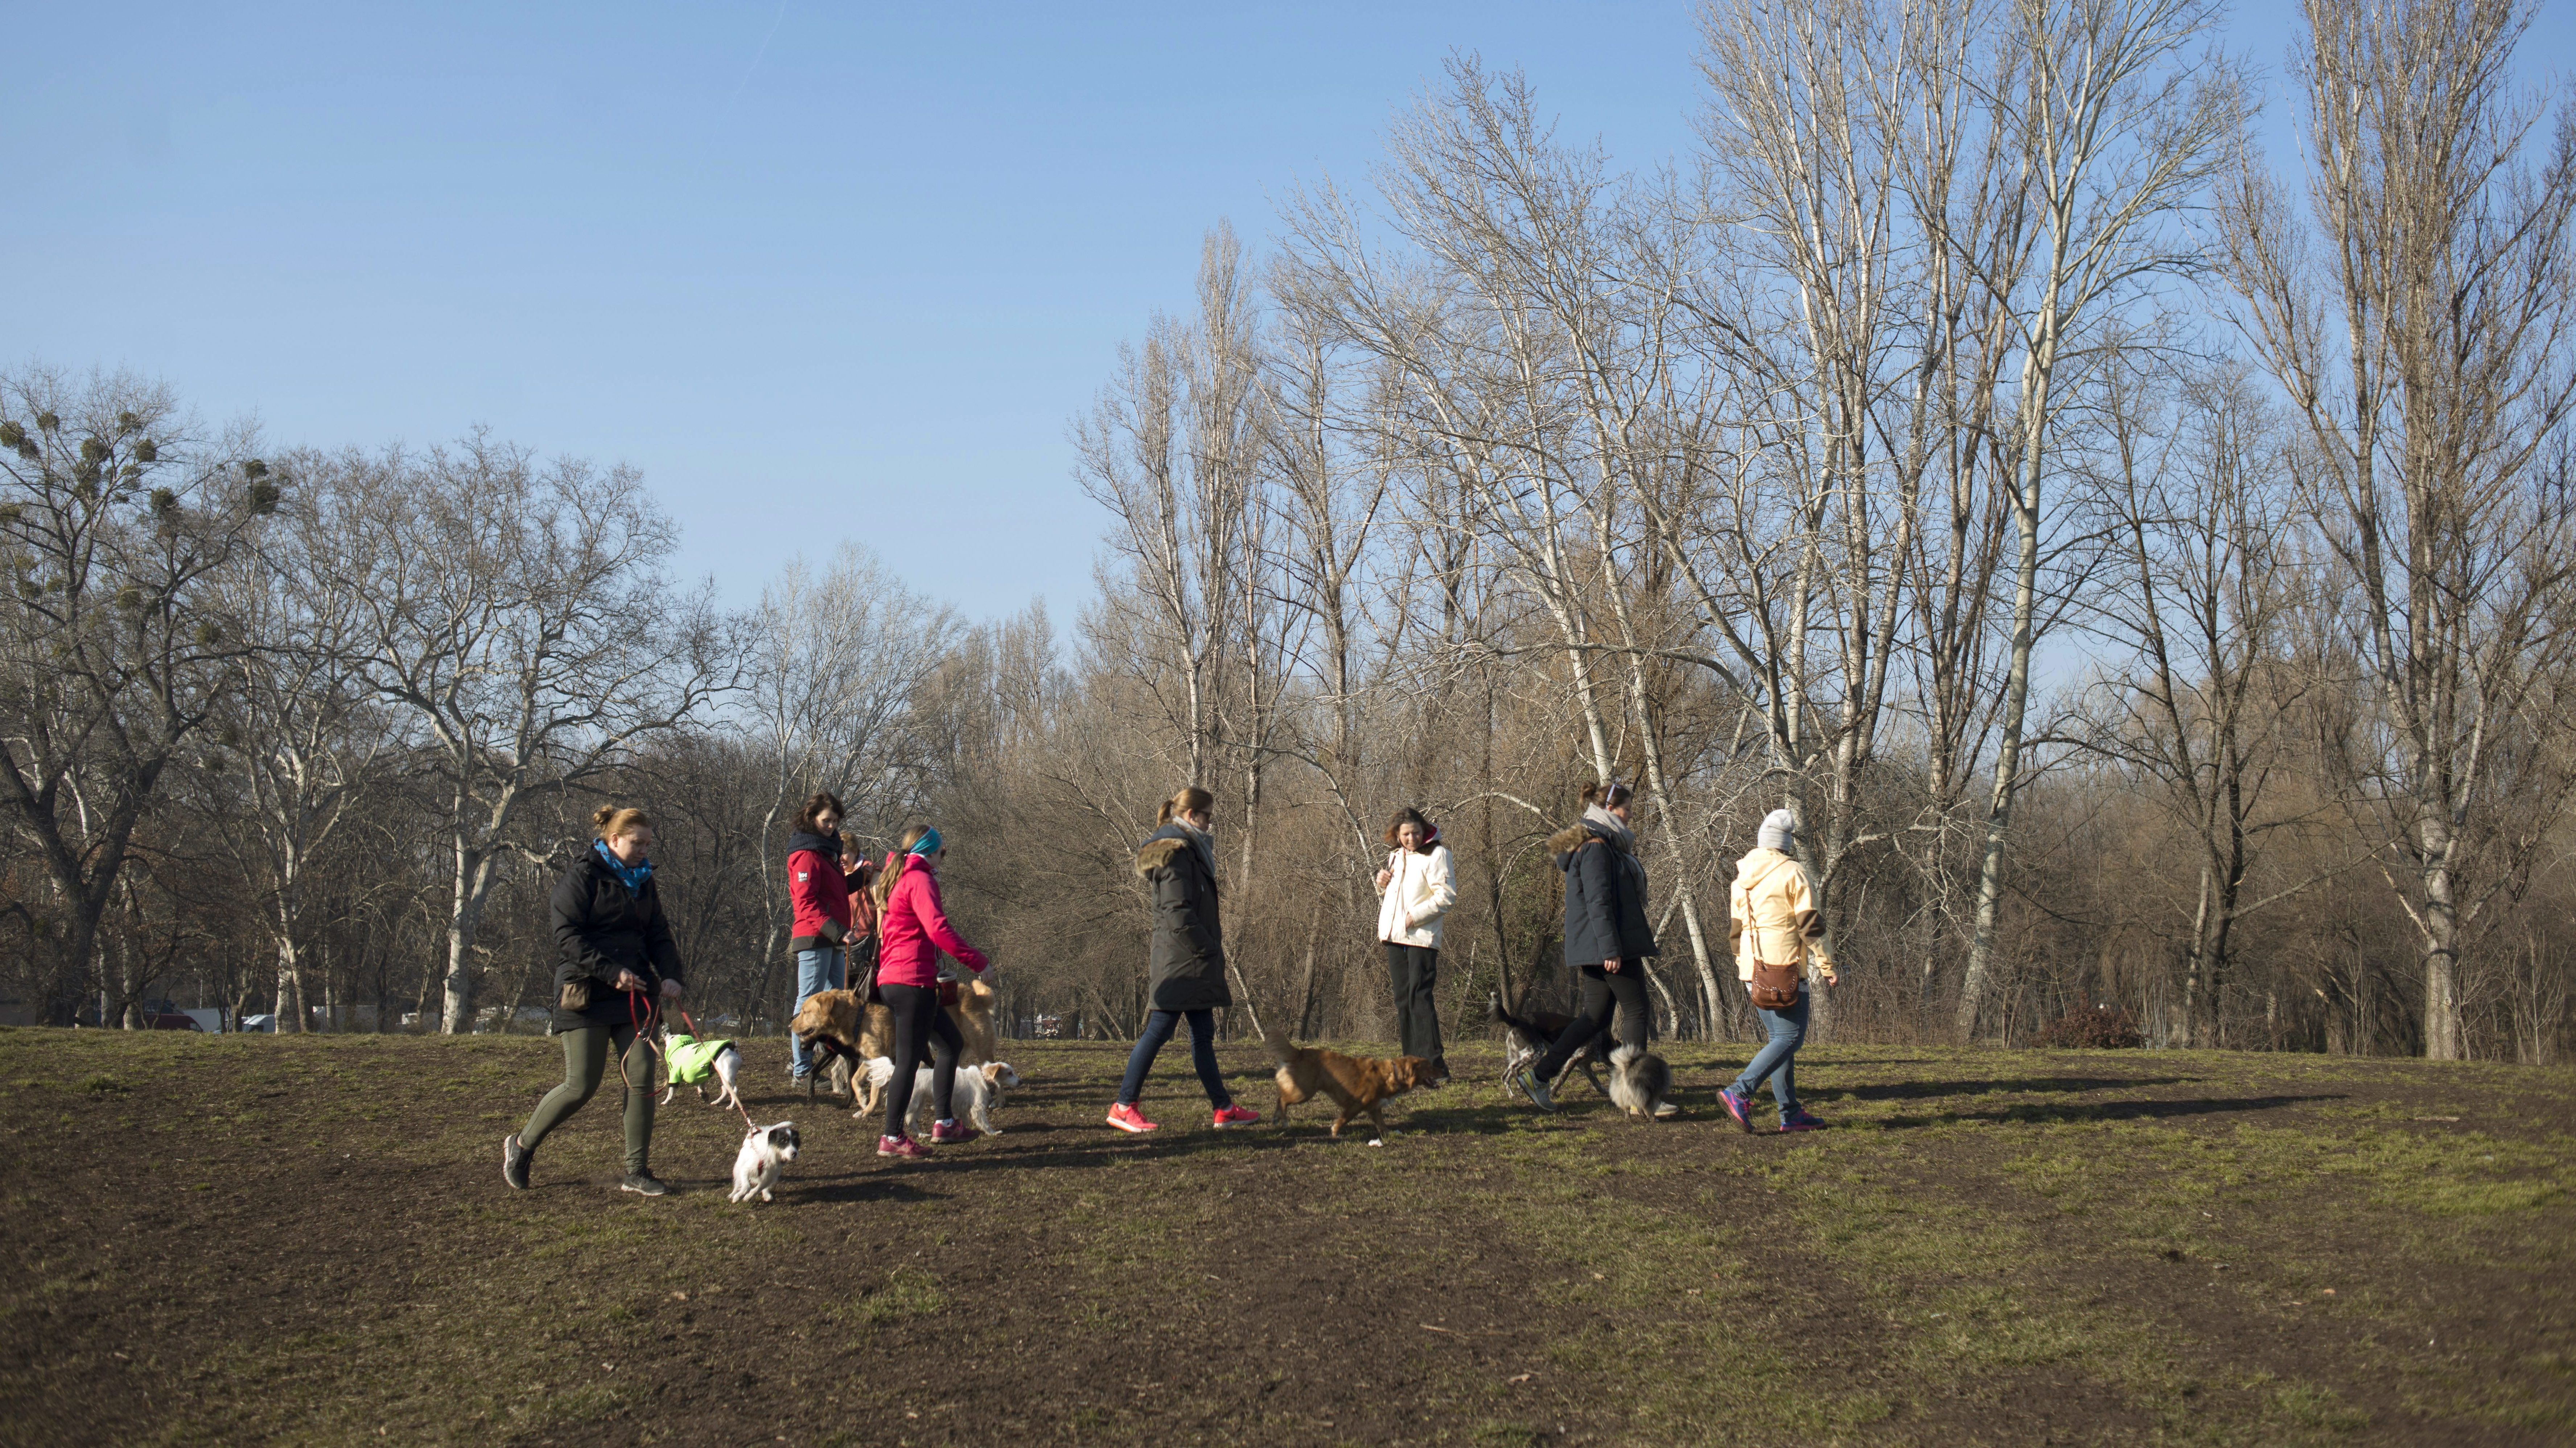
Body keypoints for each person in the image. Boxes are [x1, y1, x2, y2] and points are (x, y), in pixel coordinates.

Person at [503, 805, 686, 1196]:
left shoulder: (644, 881)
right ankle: (521, 1145)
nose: (644, 850)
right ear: (614, 839)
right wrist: (610, 972)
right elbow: (567, 936)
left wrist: (671, 974)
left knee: (642, 1077)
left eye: (648, 844)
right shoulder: (581, 876)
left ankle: (636, 1171)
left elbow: (659, 933)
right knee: (580, 1085)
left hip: (636, 992)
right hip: (586, 991)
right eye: (637, 843)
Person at [1107, 786, 1261, 1133]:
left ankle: (1223, 1109)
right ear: (1192, 816)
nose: (1211, 824)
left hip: (1188, 960)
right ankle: (1123, 1105)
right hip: (1181, 961)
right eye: (1208, 816)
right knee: (1159, 1031)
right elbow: (1177, 912)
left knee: (1202, 1035)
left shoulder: (1187, 851)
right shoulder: (1176, 853)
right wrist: (1207, 946)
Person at [1509, 781, 1658, 1112]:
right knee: (1636, 1011)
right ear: (1609, 810)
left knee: (1594, 1019)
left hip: (1600, 945)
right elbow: (1598, 902)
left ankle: (1539, 1077)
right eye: (1627, 810)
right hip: (1608, 946)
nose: (1631, 816)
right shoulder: (1595, 847)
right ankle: (1638, 1095)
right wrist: (1610, 949)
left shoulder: (1599, 842)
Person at [872, 823, 989, 1158]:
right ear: (931, 852)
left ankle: (945, 1122)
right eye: (943, 852)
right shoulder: (919, 879)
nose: (944, 858)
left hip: (899, 978)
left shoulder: (898, 877)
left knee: (951, 1043)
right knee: (908, 1062)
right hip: (912, 982)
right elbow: (939, 930)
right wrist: (978, 962)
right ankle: (892, 1136)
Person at [1720, 809, 1838, 1133]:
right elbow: (1810, 925)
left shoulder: (1742, 876)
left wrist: (1741, 962)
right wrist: (1827, 964)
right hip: (1783, 969)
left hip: (1751, 969)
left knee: (1779, 1040)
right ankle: (1739, 1092)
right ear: (1786, 844)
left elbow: (1735, 929)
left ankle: (1790, 1112)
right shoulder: (1793, 872)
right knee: (1790, 1037)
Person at [785, 791, 865, 1085]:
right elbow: (806, 904)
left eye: (835, 821)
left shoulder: (825, 852)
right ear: (812, 819)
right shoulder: (806, 855)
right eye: (826, 820)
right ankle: (801, 1070)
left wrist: (864, 877)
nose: (832, 826)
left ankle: (837, 1061)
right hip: (815, 937)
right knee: (808, 1002)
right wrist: (837, 930)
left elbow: (835, 893)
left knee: (839, 1000)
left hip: (832, 937)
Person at [1373, 806, 1457, 1068]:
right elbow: (1388, 898)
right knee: (1402, 999)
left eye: (1416, 833)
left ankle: (1435, 1064)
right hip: (1394, 937)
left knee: (1419, 997)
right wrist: (1381, 884)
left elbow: (1446, 897)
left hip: (1421, 937)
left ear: (1425, 830)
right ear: (1397, 835)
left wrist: (1413, 918)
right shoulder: (1395, 857)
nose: (1412, 839)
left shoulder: (1438, 854)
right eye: (1406, 834)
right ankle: (1412, 1064)